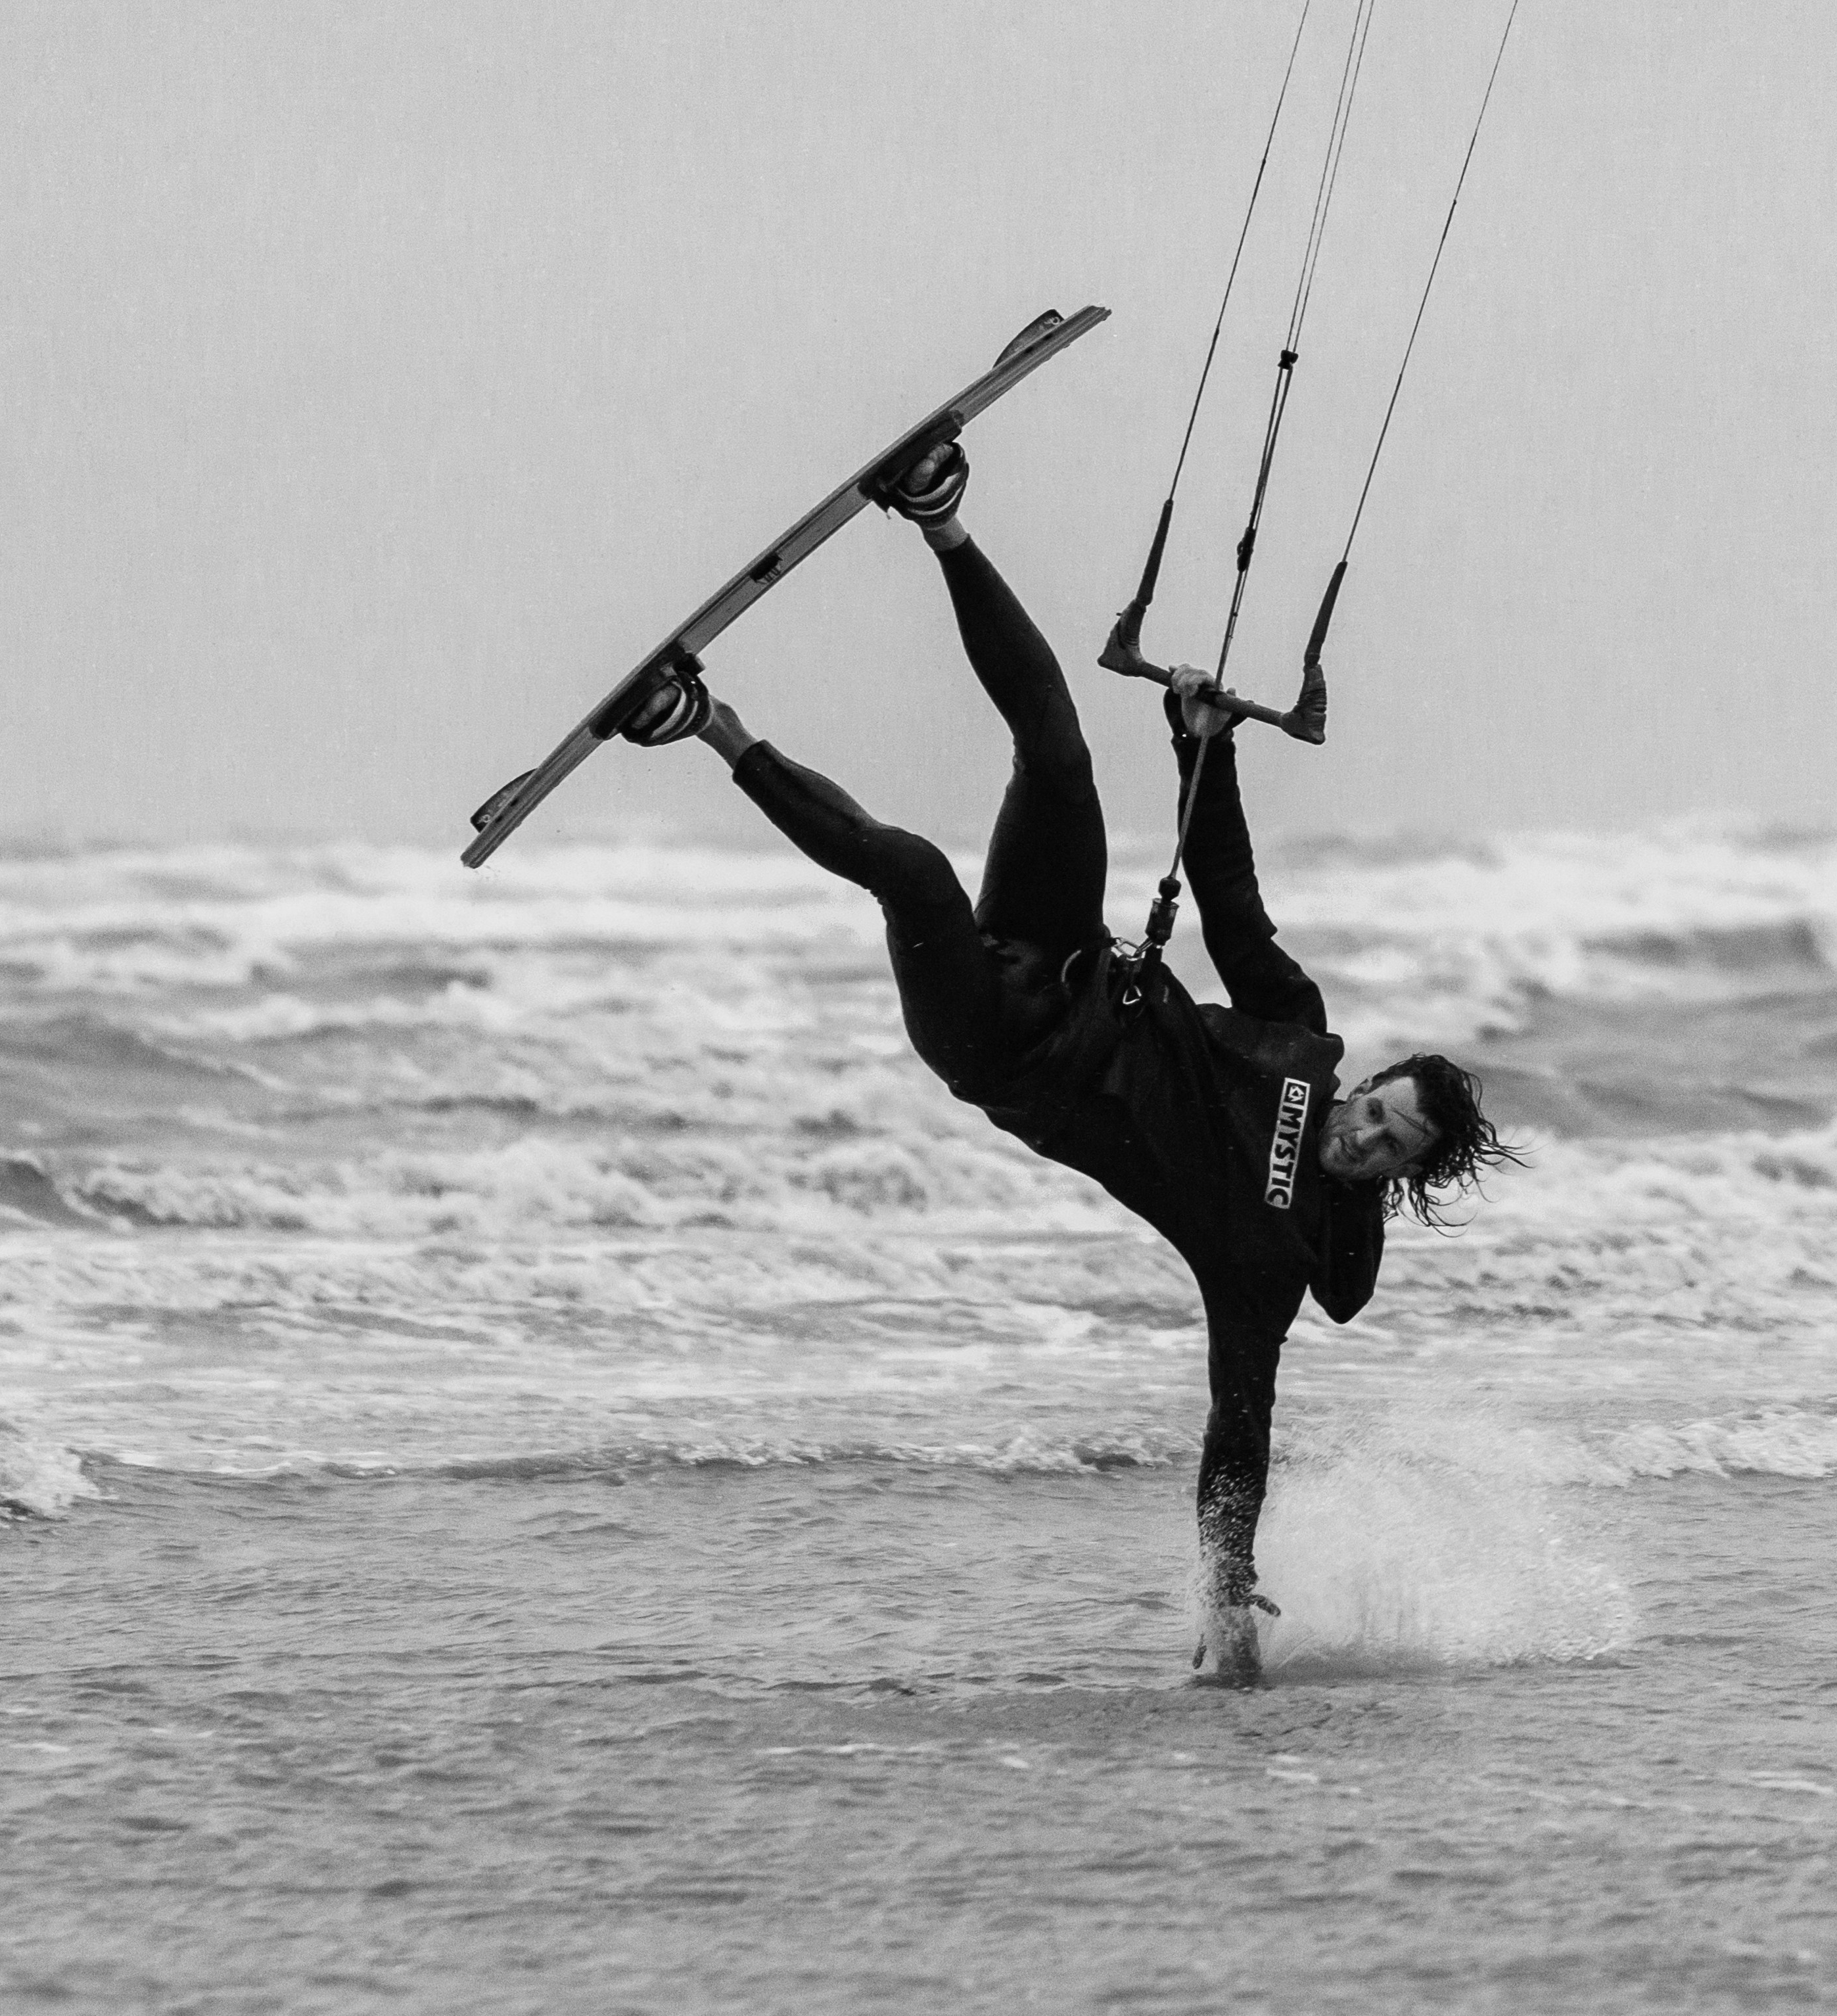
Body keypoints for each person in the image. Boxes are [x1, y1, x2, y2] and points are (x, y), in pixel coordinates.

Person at [614, 436, 1508, 1683]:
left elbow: (1238, 1427)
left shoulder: (1268, 1256)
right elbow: (1230, 901)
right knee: (1063, 750)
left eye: (1387, 1145)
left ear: (1398, 1176)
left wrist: (1225, 1593)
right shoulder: (1302, 1031)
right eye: (1376, 1109)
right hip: (1068, 952)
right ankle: (938, 518)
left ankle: (700, 724)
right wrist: (1206, 745)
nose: (1361, 1132)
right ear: (1365, 1085)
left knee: (914, 869)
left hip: (1002, 1046)